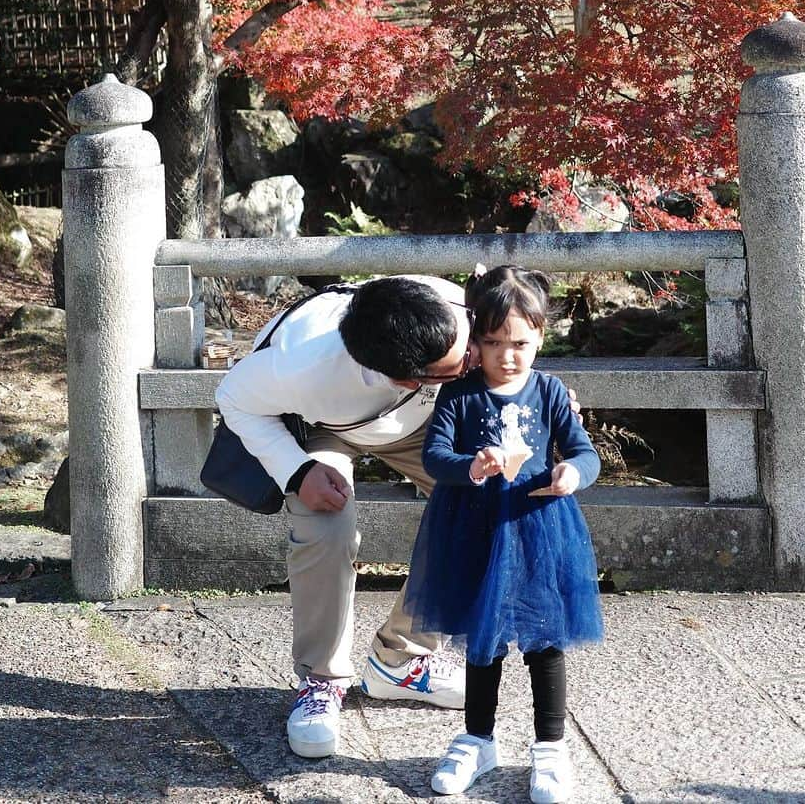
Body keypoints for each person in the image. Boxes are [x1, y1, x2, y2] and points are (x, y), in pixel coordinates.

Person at [215, 274, 474, 758]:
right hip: (327, 430)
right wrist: (296, 471)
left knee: (483, 506)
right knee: (327, 528)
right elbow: (234, 398)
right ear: (407, 379)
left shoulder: (459, 310)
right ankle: (321, 681)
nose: (472, 358)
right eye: (456, 368)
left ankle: (404, 659)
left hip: (425, 429)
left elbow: (513, 362)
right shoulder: (299, 365)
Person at [403, 266, 603, 803]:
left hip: (538, 527)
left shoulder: (550, 392)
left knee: (545, 641)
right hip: (474, 529)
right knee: (481, 641)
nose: (506, 355)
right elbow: (435, 456)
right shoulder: (459, 395)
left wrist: (572, 473)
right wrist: (473, 465)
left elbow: (585, 451)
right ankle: (477, 738)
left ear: (540, 335)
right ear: (476, 340)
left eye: (518, 342)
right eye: (492, 343)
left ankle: (551, 747)